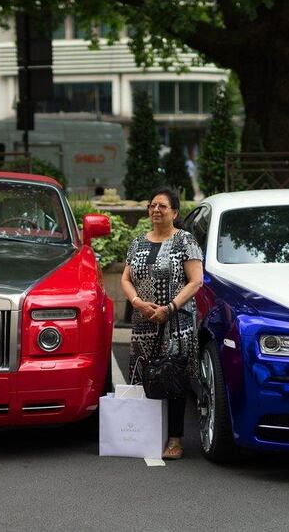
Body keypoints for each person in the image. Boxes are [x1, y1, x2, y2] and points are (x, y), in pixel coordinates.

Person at [121, 188, 203, 460]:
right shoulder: (137, 242)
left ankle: (175, 440)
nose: (156, 210)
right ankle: (144, 435)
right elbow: (125, 278)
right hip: (144, 320)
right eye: (152, 205)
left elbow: (196, 281)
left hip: (176, 321)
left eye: (163, 206)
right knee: (147, 377)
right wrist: (137, 302)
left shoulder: (185, 241)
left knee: (173, 379)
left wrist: (170, 308)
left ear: (175, 212)